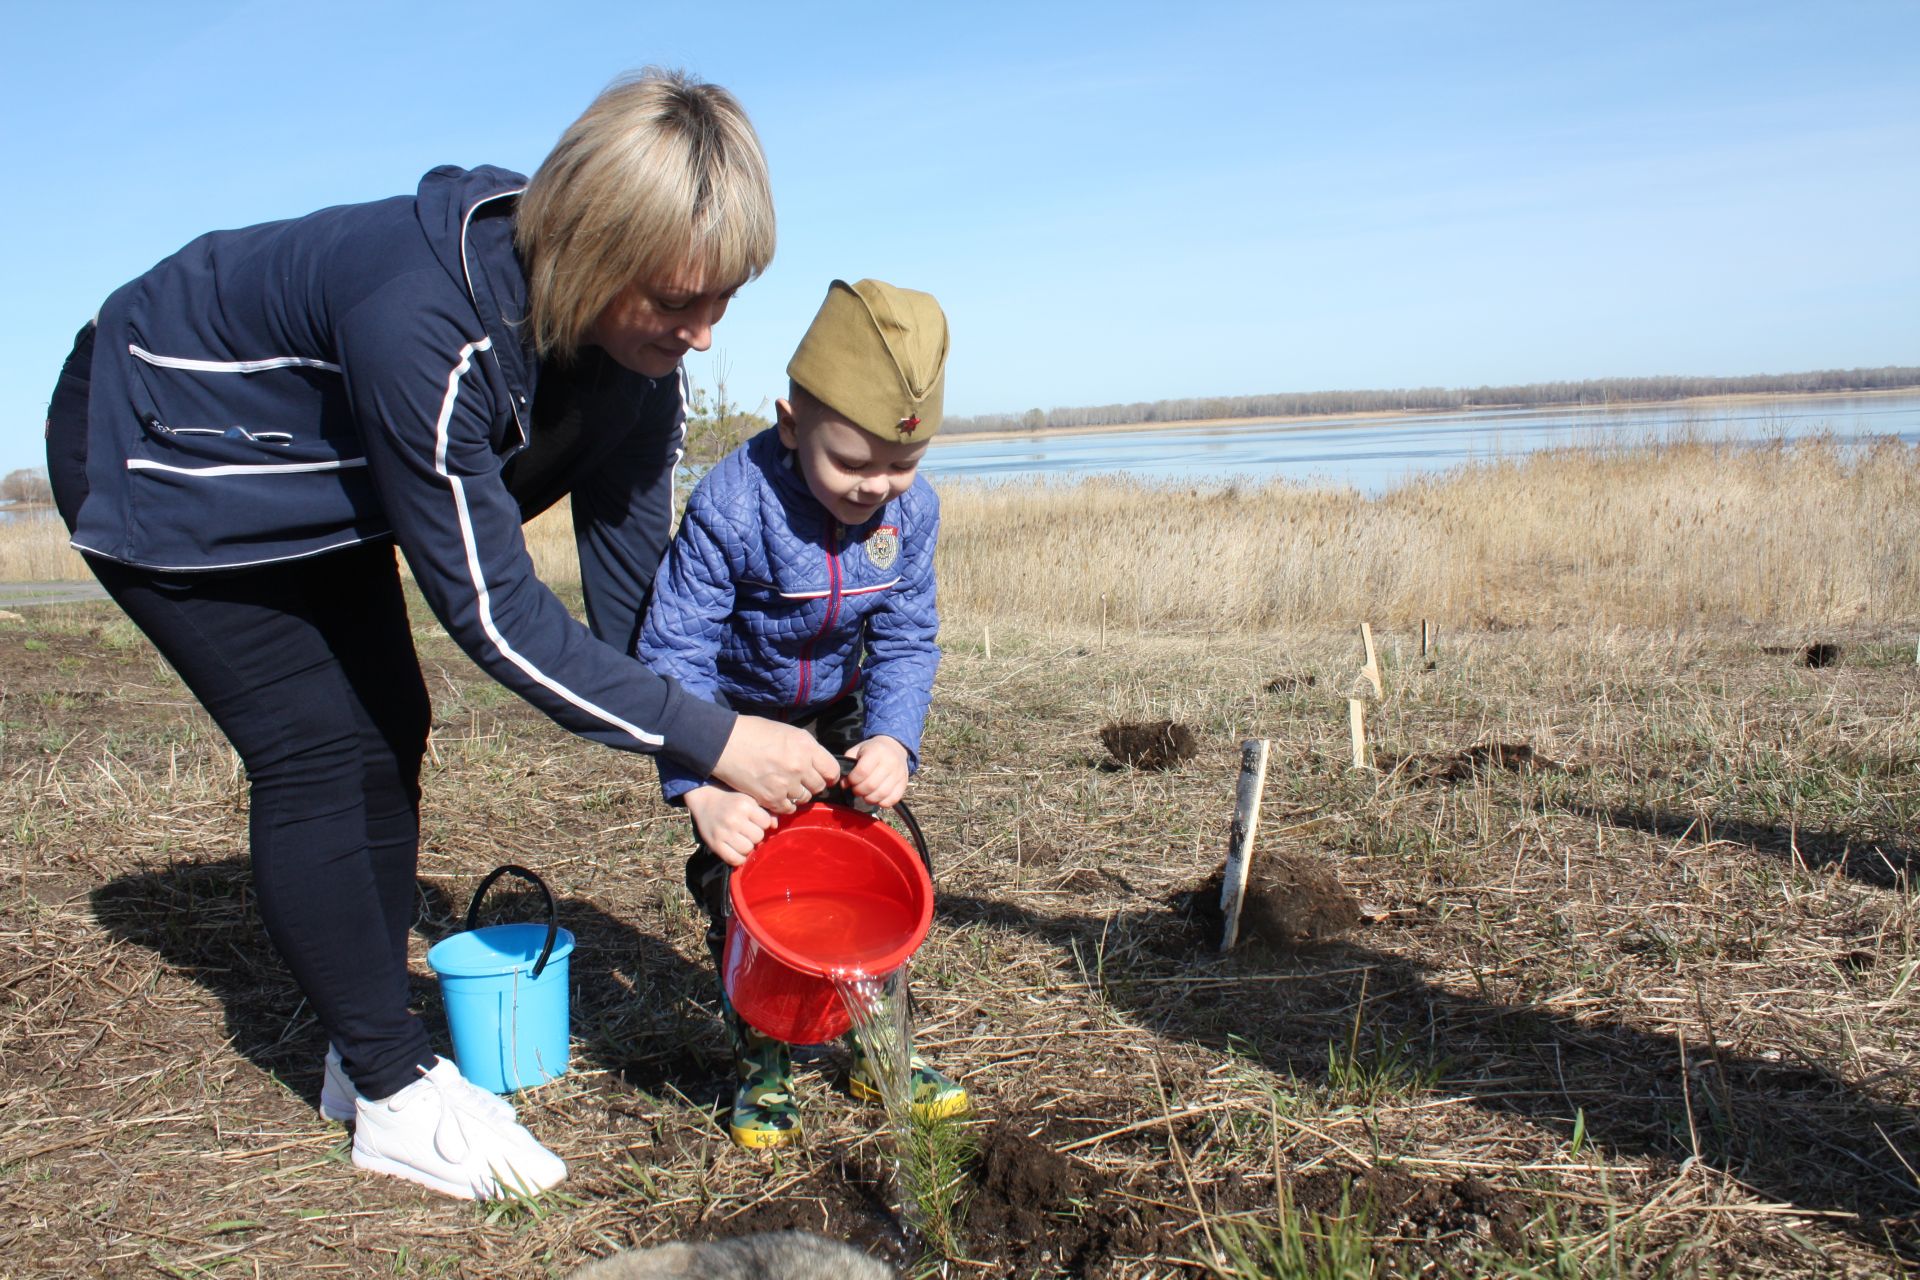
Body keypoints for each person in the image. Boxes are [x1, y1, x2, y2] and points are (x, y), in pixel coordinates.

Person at [41, 70, 842, 1201]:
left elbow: (636, 607)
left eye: (725, 301)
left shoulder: (636, 379)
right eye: (677, 300)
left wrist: (694, 770)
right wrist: (717, 739)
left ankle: (362, 1049)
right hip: (164, 447)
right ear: (592, 249)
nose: (705, 335)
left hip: (319, 487)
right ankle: (391, 1089)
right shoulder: (431, 325)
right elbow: (497, 619)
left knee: (389, 722)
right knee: (319, 747)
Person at [639, 278, 968, 1149]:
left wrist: (894, 737)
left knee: (877, 871)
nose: (877, 488)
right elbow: (672, 653)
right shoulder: (732, 503)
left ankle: (880, 1050)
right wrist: (700, 785)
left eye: (902, 463)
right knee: (746, 887)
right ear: (791, 424)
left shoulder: (913, 513)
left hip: (839, 713)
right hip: (734, 721)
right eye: (852, 463)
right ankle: (763, 1064)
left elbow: (905, 638)